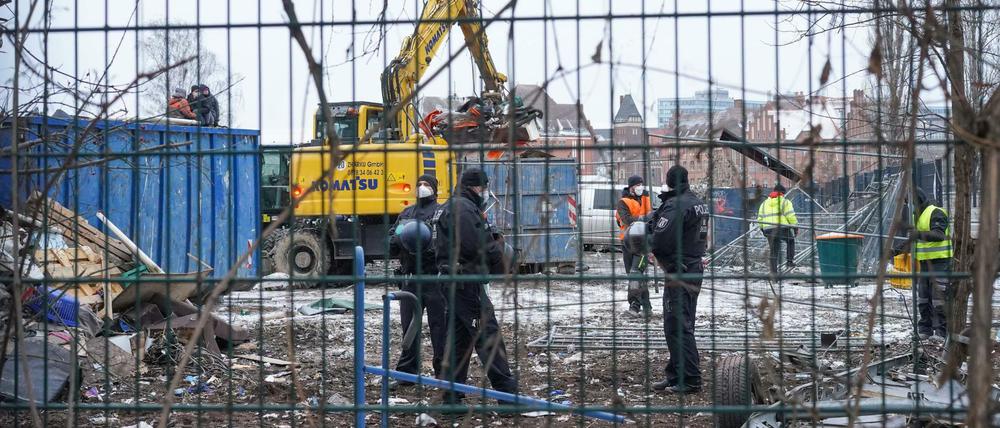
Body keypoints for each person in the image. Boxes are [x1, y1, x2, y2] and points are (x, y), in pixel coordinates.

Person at [433, 168, 517, 403]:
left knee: (458, 340)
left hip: (454, 281)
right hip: (465, 283)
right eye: (485, 187)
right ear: (477, 187)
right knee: (487, 334)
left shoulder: (455, 206)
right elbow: (474, 245)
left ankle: (451, 395)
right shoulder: (463, 209)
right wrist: (498, 253)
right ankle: (507, 395)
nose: (487, 192)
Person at [648, 165, 709, 394]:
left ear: (669, 181)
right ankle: (676, 374)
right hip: (693, 266)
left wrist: (657, 251)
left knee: (677, 325)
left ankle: (690, 378)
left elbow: (661, 239)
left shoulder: (677, 205)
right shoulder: (698, 202)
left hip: (679, 269)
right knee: (682, 322)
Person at [388, 174, 447, 387]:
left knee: (440, 328)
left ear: (434, 189)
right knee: (409, 327)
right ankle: (407, 373)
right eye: (419, 184)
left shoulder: (442, 212)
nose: (422, 187)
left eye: (426, 184)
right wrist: (399, 239)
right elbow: (392, 238)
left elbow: (447, 242)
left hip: (435, 279)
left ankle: (444, 374)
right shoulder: (407, 213)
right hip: (410, 279)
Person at [909, 187, 951, 340]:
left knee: (939, 299)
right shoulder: (916, 217)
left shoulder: (936, 212)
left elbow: (939, 235)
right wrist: (894, 251)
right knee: (923, 298)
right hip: (924, 264)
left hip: (941, 262)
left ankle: (942, 332)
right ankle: (925, 330)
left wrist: (918, 234)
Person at [615, 175, 653, 316]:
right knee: (634, 276)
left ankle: (636, 306)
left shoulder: (646, 199)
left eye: (641, 184)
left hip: (643, 243)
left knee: (636, 273)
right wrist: (645, 218)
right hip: (628, 242)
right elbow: (627, 220)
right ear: (631, 187)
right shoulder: (623, 202)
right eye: (637, 185)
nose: (640, 187)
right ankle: (643, 306)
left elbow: (653, 218)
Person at [756, 183, 798, 274]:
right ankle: (789, 261)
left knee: (774, 251)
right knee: (790, 240)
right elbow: (790, 216)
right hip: (781, 227)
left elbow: (759, 218)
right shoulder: (785, 202)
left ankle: (774, 273)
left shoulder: (764, 203)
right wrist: (795, 228)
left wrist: (763, 229)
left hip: (768, 229)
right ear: (782, 193)